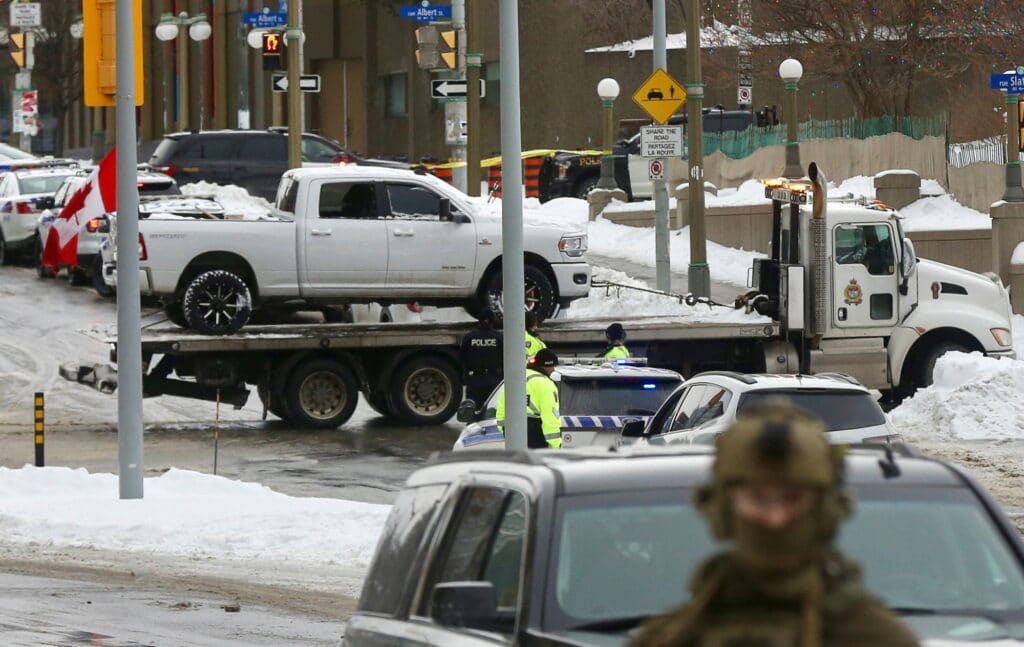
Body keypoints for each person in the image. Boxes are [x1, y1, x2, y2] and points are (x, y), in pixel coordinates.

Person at [630, 403, 920, 647]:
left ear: (827, 512)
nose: (775, 519)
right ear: (722, 511)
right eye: (758, 499)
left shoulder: (875, 639)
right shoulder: (671, 639)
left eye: (792, 499)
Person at [495, 348, 562, 449]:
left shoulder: (515, 378)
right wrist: (556, 444)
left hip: (512, 429)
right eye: (553, 366)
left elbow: (502, 404)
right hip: (535, 433)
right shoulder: (546, 384)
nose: (553, 370)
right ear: (548, 366)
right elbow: (550, 416)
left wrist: (503, 428)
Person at [459, 308, 503, 407]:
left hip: (474, 380)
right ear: (493, 321)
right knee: (492, 411)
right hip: (494, 379)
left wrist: (465, 376)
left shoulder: (469, 337)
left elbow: (461, 358)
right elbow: (506, 358)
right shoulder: (499, 337)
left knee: (473, 410)